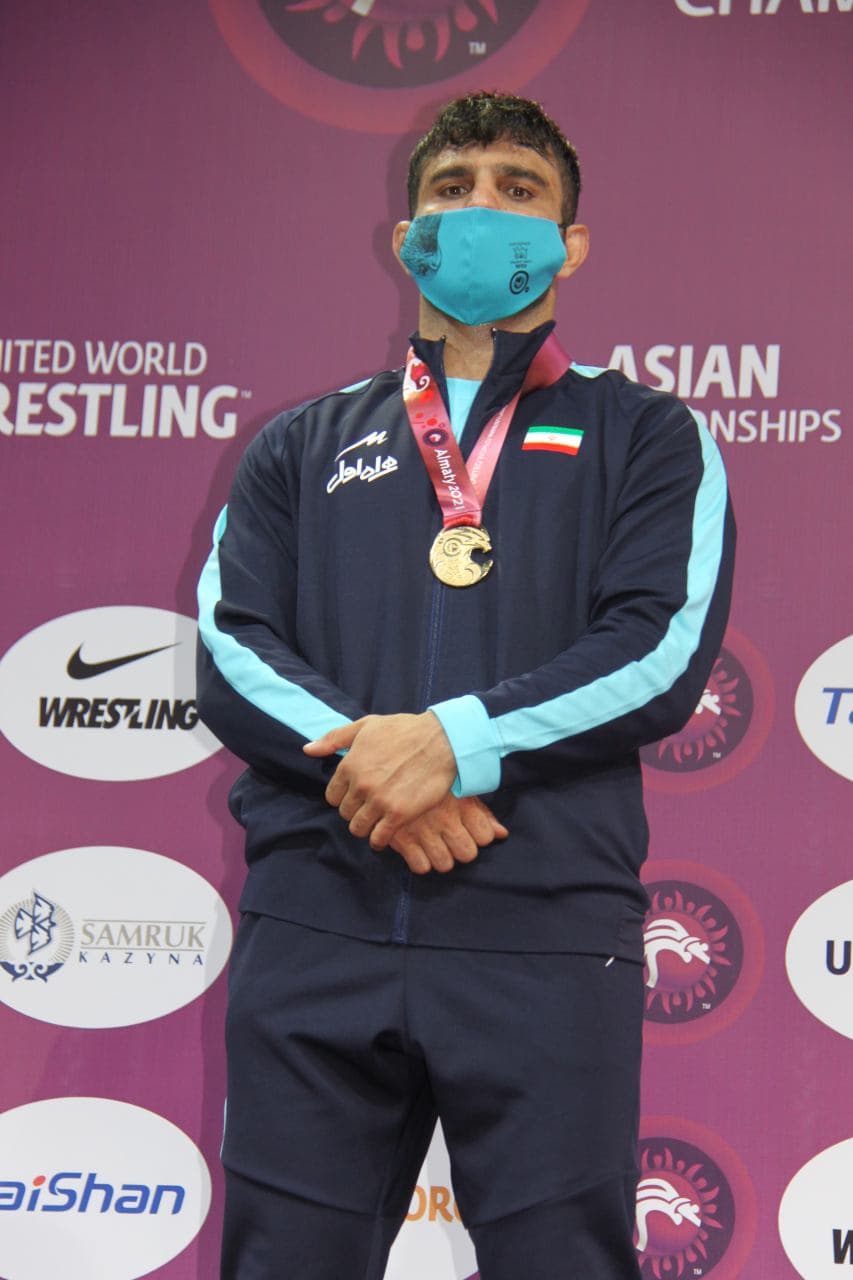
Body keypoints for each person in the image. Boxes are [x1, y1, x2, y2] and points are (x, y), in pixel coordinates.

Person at [197, 90, 735, 1280]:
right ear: (409, 239)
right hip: (318, 924)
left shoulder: (649, 435)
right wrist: (386, 769)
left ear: (569, 243)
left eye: (517, 190)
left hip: (545, 938)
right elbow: (232, 650)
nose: (483, 210)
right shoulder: (298, 444)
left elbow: (656, 650)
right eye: (452, 189)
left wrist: (450, 740)